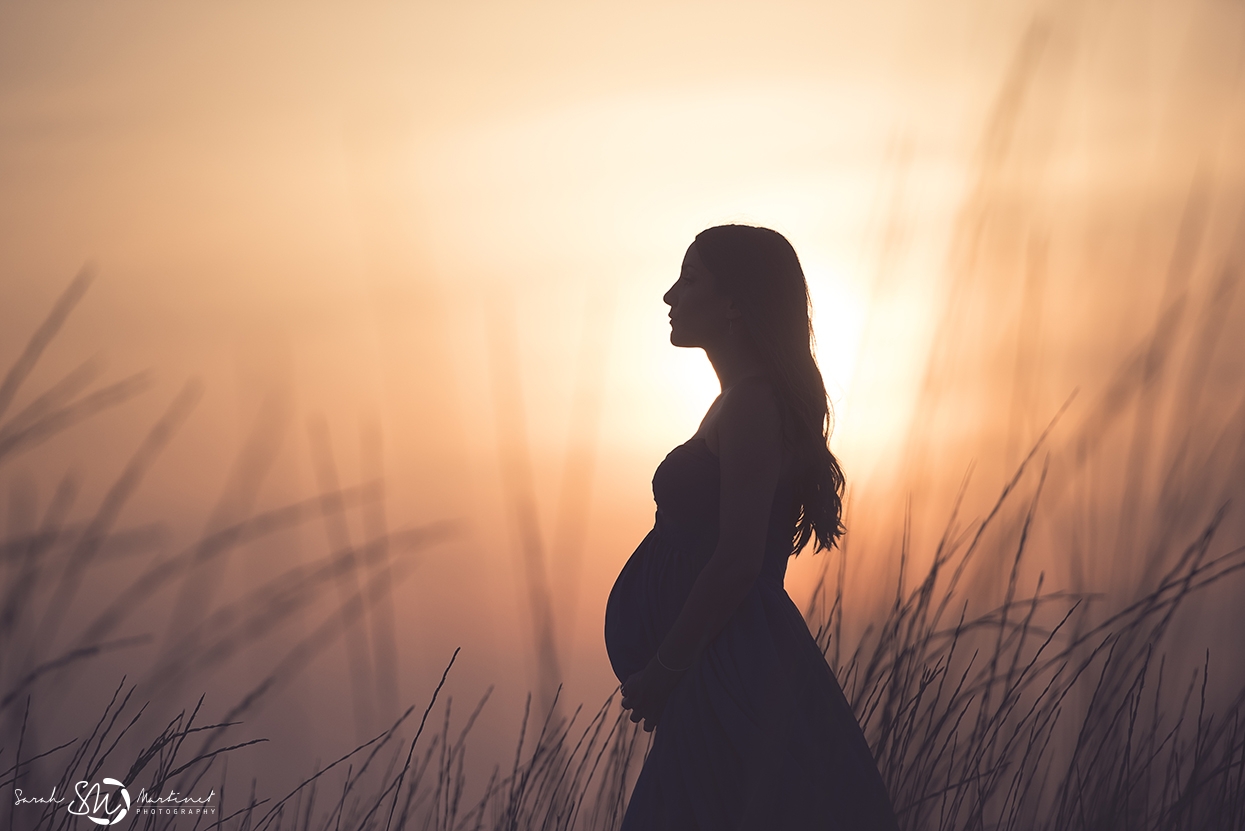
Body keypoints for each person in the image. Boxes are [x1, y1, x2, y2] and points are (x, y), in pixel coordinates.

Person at [604, 225, 899, 830]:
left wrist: (666, 668)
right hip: (716, 666)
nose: (669, 296)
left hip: (727, 667)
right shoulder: (739, 401)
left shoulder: (752, 405)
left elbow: (739, 557)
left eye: (688, 280)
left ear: (735, 303)